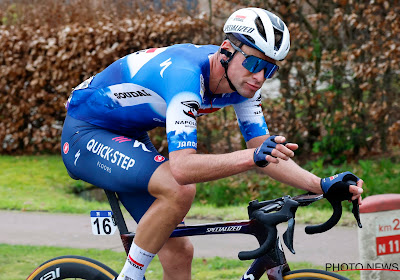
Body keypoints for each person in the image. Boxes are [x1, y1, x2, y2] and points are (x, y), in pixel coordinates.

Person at [61, 7, 364, 280]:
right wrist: (250, 157)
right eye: (255, 63)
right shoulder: (185, 78)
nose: (259, 77)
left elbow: (265, 150)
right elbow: (182, 168)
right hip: (86, 133)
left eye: (269, 69)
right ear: (226, 51)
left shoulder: (242, 83)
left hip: (130, 132)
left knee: (179, 253)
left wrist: (320, 184)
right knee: (179, 188)